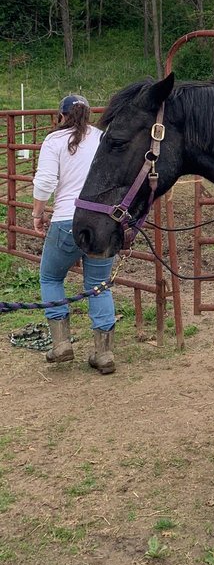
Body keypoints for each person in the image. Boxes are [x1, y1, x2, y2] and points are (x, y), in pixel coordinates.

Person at [31, 94, 117, 374]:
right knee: (98, 284)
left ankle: (61, 343)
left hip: (68, 219)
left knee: (51, 276)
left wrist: (37, 213)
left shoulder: (54, 141)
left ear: (61, 116)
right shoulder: (102, 138)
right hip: (103, 221)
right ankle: (103, 353)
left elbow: (44, 182)